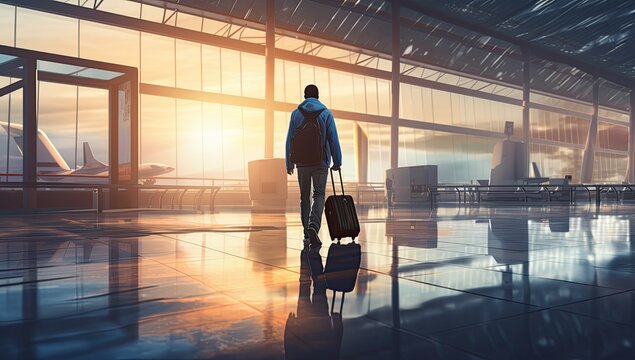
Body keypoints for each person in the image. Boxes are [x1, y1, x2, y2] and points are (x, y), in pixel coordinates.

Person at [285, 84, 342, 248]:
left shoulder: (296, 114)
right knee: (318, 195)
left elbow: (290, 139)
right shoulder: (325, 114)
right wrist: (337, 161)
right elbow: (333, 139)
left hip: (301, 163)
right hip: (321, 162)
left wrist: (289, 163)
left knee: (304, 197)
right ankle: (313, 227)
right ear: (318, 96)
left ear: (304, 96)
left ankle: (306, 232)